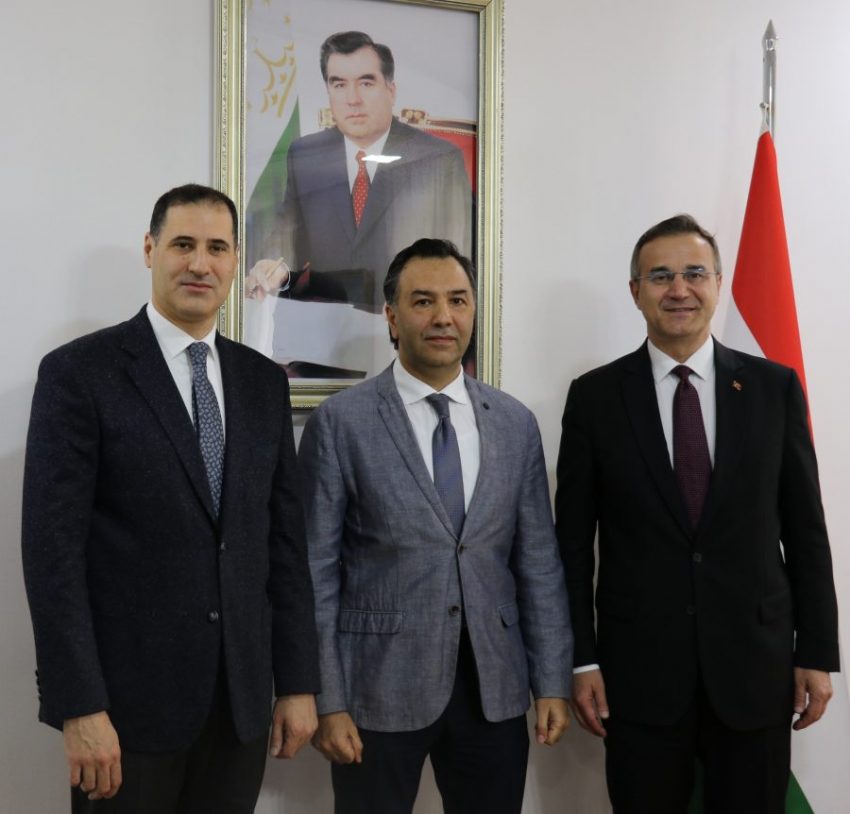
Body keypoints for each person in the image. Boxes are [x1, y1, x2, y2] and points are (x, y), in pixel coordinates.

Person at [21, 184, 320, 814]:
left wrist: (297, 683)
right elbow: (53, 558)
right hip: (124, 714)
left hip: (239, 708)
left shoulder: (262, 383)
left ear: (235, 261)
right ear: (150, 249)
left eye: (217, 248)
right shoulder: (80, 373)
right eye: (183, 244)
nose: (199, 264)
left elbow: (284, 547)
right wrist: (79, 705)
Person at [555, 214, 839, 813]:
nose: (678, 289)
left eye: (694, 273)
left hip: (755, 670)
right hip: (638, 677)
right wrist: (581, 658)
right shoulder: (596, 398)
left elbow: (807, 534)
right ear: (635, 291)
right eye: (660, 276)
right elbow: (573, 548)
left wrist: (816, 652)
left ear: (718, 283)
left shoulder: (773, 388)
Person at [298, 238, 573, 814]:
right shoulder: (341, 423)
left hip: (493, 687)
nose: (443, 317)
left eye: (458, 300)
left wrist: (551, 680)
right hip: (377, 688)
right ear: (392, 317)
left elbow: (538, 564)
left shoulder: (515, 424)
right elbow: (314, 572)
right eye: (423, 301)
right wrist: (328, 698)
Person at [246, 30, 473, 315]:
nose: (352, 99)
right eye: (339, 84)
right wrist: (270, 265)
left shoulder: (438, 160)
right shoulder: (305, 155)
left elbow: (458, 265)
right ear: (328, 92)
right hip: (321, 327)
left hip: (409, 327)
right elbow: (285, 235)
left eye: (366, 83)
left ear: (391, 91)